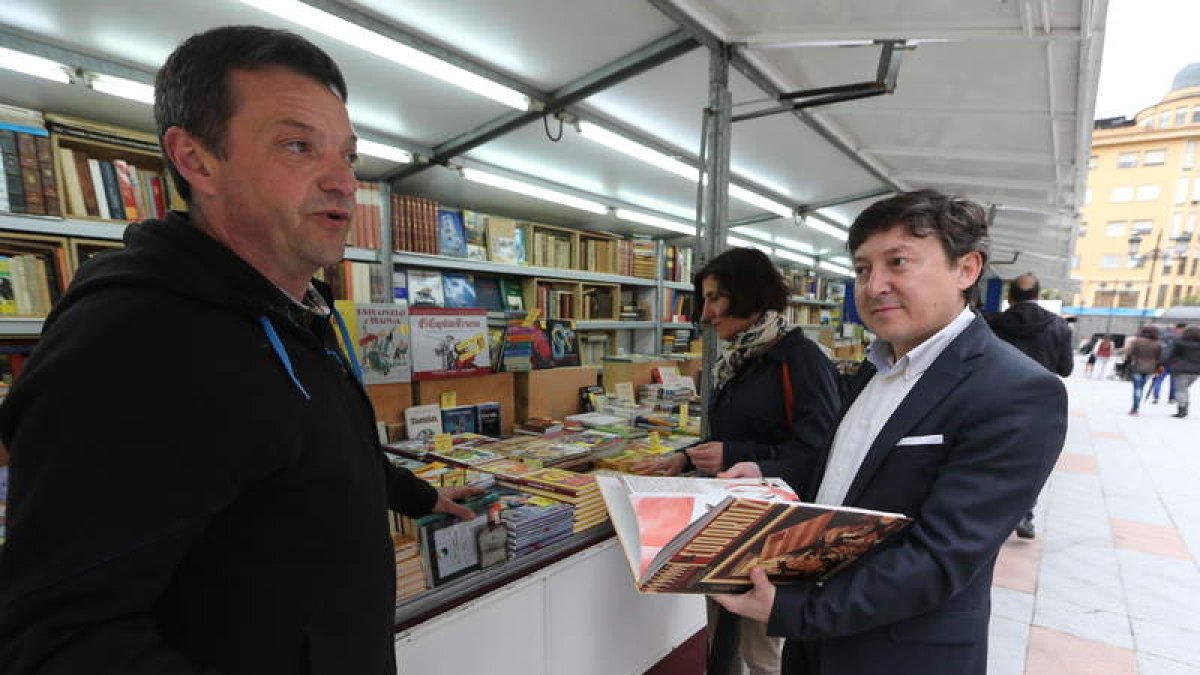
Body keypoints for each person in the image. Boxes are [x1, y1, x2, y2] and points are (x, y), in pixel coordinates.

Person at [0, 26, 478, 675]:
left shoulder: (295, 309)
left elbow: (302, 443)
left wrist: (417, 495)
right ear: (197, 161)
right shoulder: (131, 344)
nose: (343, 182)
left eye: (348, 155)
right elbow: (56, 636)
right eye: (297, 145)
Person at [714, 190, 1067, 675]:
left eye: (897, 262)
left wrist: (797, 611)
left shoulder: (1017, 391)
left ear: (966, 269)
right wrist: (765, 472)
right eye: (862, 269)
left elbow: (942, 555)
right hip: (814, 641)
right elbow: (846, 471)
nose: (873, 285)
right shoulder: (876, 367)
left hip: (898, 651)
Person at [637, 247, 842, 675]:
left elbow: (820, 452)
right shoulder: (739, 359)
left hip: (773, 529)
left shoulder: (799, 361)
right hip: (728, 518)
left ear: (748, 295)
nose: (705, 313)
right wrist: (687, 457)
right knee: (721, 635)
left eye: (716, 298)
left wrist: (737, 456)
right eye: (705, 299)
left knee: (762, 649)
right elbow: (730, 435)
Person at [985, 272, 1073, 539]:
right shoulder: (1059, 327)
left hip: (988, 401)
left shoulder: (990, 323)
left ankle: (988, 513)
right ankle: (1024, 514)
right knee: (1027, 464)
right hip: (1037, 406)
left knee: (987, 458)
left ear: (1010, 297)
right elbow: (1065, 369)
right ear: (1038, 295)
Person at [1124, 326, 1162, 416]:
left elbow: (1129, 353)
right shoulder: (1158, 344)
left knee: (1137, 387)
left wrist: (1128, 360)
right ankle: (1136, 406)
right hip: (1150, 368)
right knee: (1141, 386)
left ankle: (1135, 408)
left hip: (1137, 366)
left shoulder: (1137, 341)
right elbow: (1160, 357)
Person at [1165, 325, 1200, 418]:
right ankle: (1184, 404)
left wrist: (1166, 363)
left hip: (1181, 369)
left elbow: (1171, 354)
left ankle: (1182, 408)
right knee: (1184, 388)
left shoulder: (1179, 343)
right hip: (1196, 371)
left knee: (1181, 390)